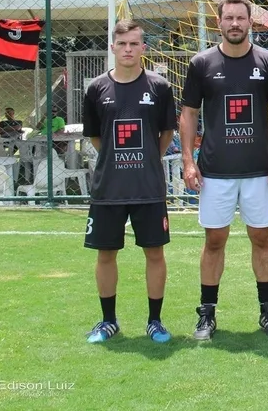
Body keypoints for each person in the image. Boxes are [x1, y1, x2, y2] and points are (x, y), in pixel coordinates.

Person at [181, 0, 268, 340]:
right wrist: (188, 161)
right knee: (214, 240)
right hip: (215, 172)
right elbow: (189, 113)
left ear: (249, 22)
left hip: (259, 171)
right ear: (219, 23)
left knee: (262, 238)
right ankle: (206, 314)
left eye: (240, 18)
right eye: (228, 18)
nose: (234, 24)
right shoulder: (201, 63)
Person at [82, 19, 176, 343]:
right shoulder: (96, 89)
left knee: (155, 254)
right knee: (105, 254)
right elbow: (96, 137)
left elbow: (166, 133)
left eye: (134, 44)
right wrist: (116, 158)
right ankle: (108, 321)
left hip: (148, 187)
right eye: (122, 44)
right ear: (112, 47)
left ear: (143, 48)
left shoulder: (159, 87)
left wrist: (147, 157)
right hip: (109, 188)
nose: (128, 49)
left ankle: (155, 321)